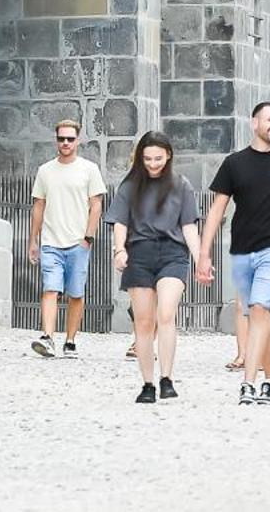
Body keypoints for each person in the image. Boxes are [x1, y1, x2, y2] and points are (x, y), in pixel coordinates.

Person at [199, 102, 270, 405]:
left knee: (260, 309)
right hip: (241, 251)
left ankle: (248, 384)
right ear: (254, 123)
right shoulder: (234, 163)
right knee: (256, 316)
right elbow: (216, 210)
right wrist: (204, 252)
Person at [106, 130, 205, 402]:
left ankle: (167, 378)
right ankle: (147, 383)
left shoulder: (181, 185)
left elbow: (188, 226)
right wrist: (119, 250)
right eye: (147, 158)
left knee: (166, 313)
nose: (152, 164)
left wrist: (200, 259)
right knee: (144, 322)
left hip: (172, 253)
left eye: (158, 158)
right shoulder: (129, 186)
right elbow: (120, 222)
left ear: (169, 155)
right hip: (139, 253)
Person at [27, 119, 105, 360]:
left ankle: (70, 340)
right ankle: (48, 337)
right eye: (61, 138)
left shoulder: (89, 169)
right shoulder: (45, 171)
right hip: (51, 241)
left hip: (77, 241)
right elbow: (38, 206)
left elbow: (96, 204)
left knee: (76, 294)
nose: (65, 143)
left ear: (78, 140)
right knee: (50, 288)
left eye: (70, 138)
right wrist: (34, 240)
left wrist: (88, 237)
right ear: (56, 140)